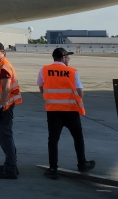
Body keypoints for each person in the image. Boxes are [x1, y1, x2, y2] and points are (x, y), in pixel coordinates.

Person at [39, 47, 95, 178]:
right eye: (67, 58)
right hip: (70, 111)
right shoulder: (72, 71)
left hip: (53, 111)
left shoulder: (44, 70)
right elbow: (79, 92)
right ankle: (82, 163)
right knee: (77, 137)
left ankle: (53, 169)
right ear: (63, 58)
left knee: (53, 139)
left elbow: (42, 89)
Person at [0, 41, 23, 179]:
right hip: (0, 106)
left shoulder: (3, 67)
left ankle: (10, 169)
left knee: (6, 137)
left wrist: (1, 107)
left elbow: (6, 89)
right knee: (5, 137)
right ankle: (11, 163)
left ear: (3, 53)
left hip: (5, 107)